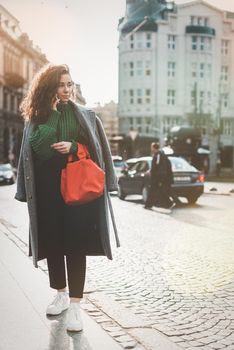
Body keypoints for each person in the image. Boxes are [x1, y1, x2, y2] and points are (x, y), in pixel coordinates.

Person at [15, 64, 120, 332]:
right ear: (49, 87)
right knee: (53, 243)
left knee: (76, 244)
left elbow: (97, 151)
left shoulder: (84, 115)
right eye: (61, 85)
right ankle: (60, 294)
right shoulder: (37, 117)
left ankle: (75, 306)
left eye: (70, 84)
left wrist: (74, 146)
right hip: (48, 189)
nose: (66, 90)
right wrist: (50, 115)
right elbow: (38, 151)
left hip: (78, 187)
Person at [144, 142, 174, 212]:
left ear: (154, 148)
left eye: (151, 147)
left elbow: (157, 166)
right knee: (158, 191)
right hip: (157, 177)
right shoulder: (159, 154)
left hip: (157, 177)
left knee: (153, 191)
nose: (151, 149)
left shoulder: (158, 155)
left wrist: (153, 173)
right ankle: (169, 203)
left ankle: (148, 205)